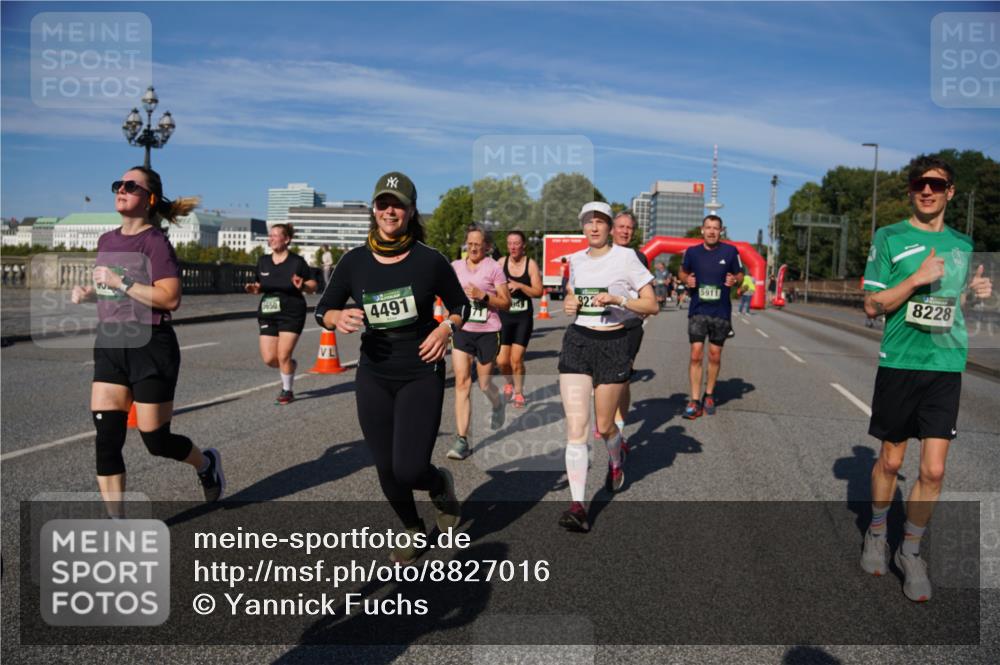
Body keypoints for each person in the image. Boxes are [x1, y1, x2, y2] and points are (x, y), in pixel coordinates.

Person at [315, 172, 466, 564]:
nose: (389, 210)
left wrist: (447, 328)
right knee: (385, 466)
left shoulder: (429, 260)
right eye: (383, 203)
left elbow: (461, 306)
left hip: (420, 369)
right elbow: (322, 309)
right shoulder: (353, 261)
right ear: (373, 209)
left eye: (397, 203)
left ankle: (438, 483)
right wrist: (336, 317)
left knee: (410, 467)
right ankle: (413, 529)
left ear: (411, 210)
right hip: (374, 373)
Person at [860, 155, 992, 602]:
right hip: (900, 361)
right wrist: (916, 278)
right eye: (920, 184)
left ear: (951, 192)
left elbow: (957, 308)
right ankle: (877, 532)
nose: (928, 191)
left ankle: (910, 550)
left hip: (945, 364)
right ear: (912, 190)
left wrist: (976, 297)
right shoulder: (890, 237)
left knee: (933, 469)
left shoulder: (962, 243)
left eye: (937, 184)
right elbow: (872, 306)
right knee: (892, 462)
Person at [70, 166, 224, 517]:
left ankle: (205, 464)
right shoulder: (107, 241)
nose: (120, 190)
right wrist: (91, 292)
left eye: (130, 186)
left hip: (151, 346)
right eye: (117, 185)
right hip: (111, 343)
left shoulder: (155, 242)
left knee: (156, 440)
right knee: (107, 440)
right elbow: (114, 291)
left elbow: (169, 298)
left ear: (149, 199)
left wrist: (119, 282)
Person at [557, 202, 657, 532]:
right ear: (583, 226)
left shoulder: (626, 258)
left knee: (604, 425)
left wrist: (619, 300)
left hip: (613, 344)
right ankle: (578, 506)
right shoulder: (575, 260)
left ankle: (615, 461)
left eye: (600, 222)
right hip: (578, 343)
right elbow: (572, 296)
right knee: (577, 427)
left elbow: (652, 304)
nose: (594, 227)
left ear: (610, 227)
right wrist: (569, 303)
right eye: (589, 222)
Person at [447, 225, 512, 460]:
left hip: (487, 331)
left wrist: (484, 296)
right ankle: (462, 439)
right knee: (462, 383)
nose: (474, 247)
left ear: (486, 246)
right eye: (470, 243)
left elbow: (506, 303)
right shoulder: (455, 267)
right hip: (463, 330)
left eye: (478, 244)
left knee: (484, 384)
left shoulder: (494, 268)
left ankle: (497, 404)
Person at [679, 215, 744, 419]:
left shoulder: (730, 251)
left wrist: (735, 279)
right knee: (696, 354)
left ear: (721, 231)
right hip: (698, 310)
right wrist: (686, 279)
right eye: (708, 227)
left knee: (714, 355)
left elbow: (740, 275)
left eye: (716, 228)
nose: (711, 231)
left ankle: (709, 394)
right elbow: (682, 272)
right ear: (702, 230)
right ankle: (694, 399)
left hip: (721, 311)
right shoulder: (692, 252)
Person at [245, 224, 317, 405]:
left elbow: (313, 286)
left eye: (276, 235)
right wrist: (255, 288)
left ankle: (287, 390)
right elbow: (260, 284)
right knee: (270, 358)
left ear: (286, 239)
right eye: (270, 235)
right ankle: (290, 366)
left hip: (292, 312)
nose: (272, 239)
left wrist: (303, 285)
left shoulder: (297, 262)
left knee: (283, 354)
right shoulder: (263, 261)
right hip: (268, 312)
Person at [610, 210, 652, 446]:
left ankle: (619, 429)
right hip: (604, 324)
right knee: (604, 377)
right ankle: (606, 416)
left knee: (623, 375)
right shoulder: (601, 254)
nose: (625, 231)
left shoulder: (639, 257)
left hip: (631, 324)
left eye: (629, 228)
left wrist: (642, 308)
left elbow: (646, 291)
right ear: (612, 229)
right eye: (621, 227)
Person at [497, 230, 544, 409]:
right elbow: (492, 284)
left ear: (523, 245)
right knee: (502, 361)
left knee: (516, 359)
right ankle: (508, 382)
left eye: (516, 243)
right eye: (510, 243)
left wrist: (520, 285)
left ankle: (518, 392)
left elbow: (538, 292)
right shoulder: (501, 263)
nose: (513, 247)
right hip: (504, 317)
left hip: (523, 318)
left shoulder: (530, 265)